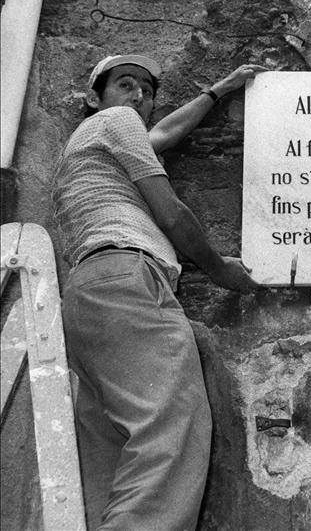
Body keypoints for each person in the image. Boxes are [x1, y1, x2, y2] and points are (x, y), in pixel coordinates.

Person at [53, 54, 265, 530]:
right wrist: (217, 269)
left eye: (146, 91)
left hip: (88, 294)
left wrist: (221, 87)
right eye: (125, 84)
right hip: (129, 280)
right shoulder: (116, 121)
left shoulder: (97, 141)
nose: (138, 97)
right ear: (95, 97)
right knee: (171, 426)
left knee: (111, 452)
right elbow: (170, 212)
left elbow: (163, 136)